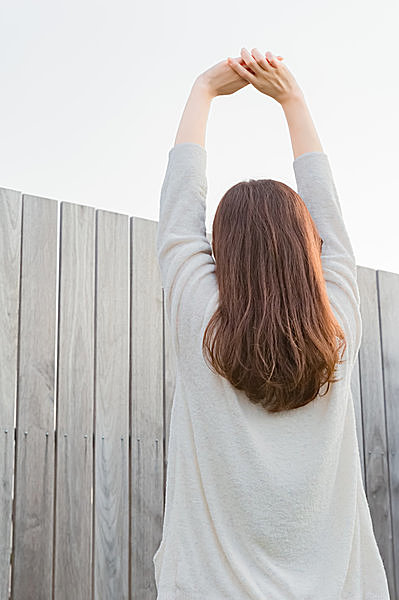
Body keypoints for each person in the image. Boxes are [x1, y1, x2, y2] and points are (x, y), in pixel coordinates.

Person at [154, 48, 390, 599]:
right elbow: (331, 218)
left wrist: (203, 90)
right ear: (311, 251)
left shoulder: (202, 328)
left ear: (221, 257)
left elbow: (178, 215)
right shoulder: (338, 334)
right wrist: (293, 102)